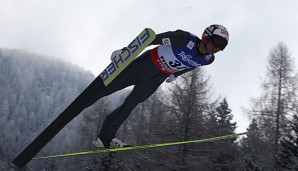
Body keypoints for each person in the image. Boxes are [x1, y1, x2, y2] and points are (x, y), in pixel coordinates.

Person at [92, 24, 229, 148]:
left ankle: (105, 138)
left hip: (157, 78)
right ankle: (85, 100)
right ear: (206, 37)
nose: (217, 48)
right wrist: (126, 51)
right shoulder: (184, 39)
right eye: (217, 42)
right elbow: (152, 39)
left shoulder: (208, 59)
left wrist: (176, 74)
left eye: (222, 46)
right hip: (146, 64)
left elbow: (193, 64)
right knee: (108, 88)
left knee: (130, 105)